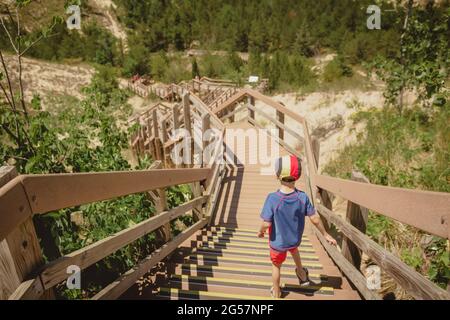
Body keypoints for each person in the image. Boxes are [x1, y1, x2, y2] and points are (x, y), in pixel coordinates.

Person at [258, 155, 337, 298]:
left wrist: (261, 231)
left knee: (276, 267)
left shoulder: (272, 198)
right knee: (294, 250)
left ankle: (276, 292)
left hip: (278, 243)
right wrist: (325, 234)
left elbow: (266, 223)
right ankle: (301, 272)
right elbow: (314, 218)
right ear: (298, 176)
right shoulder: (302, 197)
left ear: (277, 175)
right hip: (294, 239)